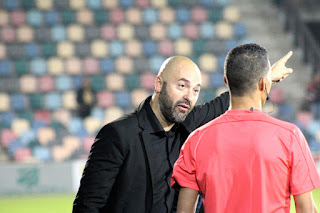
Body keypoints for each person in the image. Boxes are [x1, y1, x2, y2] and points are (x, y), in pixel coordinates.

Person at [73, 54, 292, 213]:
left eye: (196, 90)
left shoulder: (190, 123)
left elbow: (226, 102)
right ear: (159, 84)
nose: (189, 96)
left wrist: (266, 78)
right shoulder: (118, 135)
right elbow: (87, 206)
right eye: (182, 86)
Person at [171, 44, 320, 213]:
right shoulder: (290, 137)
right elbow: (306, 210)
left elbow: (183, 211)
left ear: (226, 82)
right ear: (264, 83)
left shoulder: (197, 140)